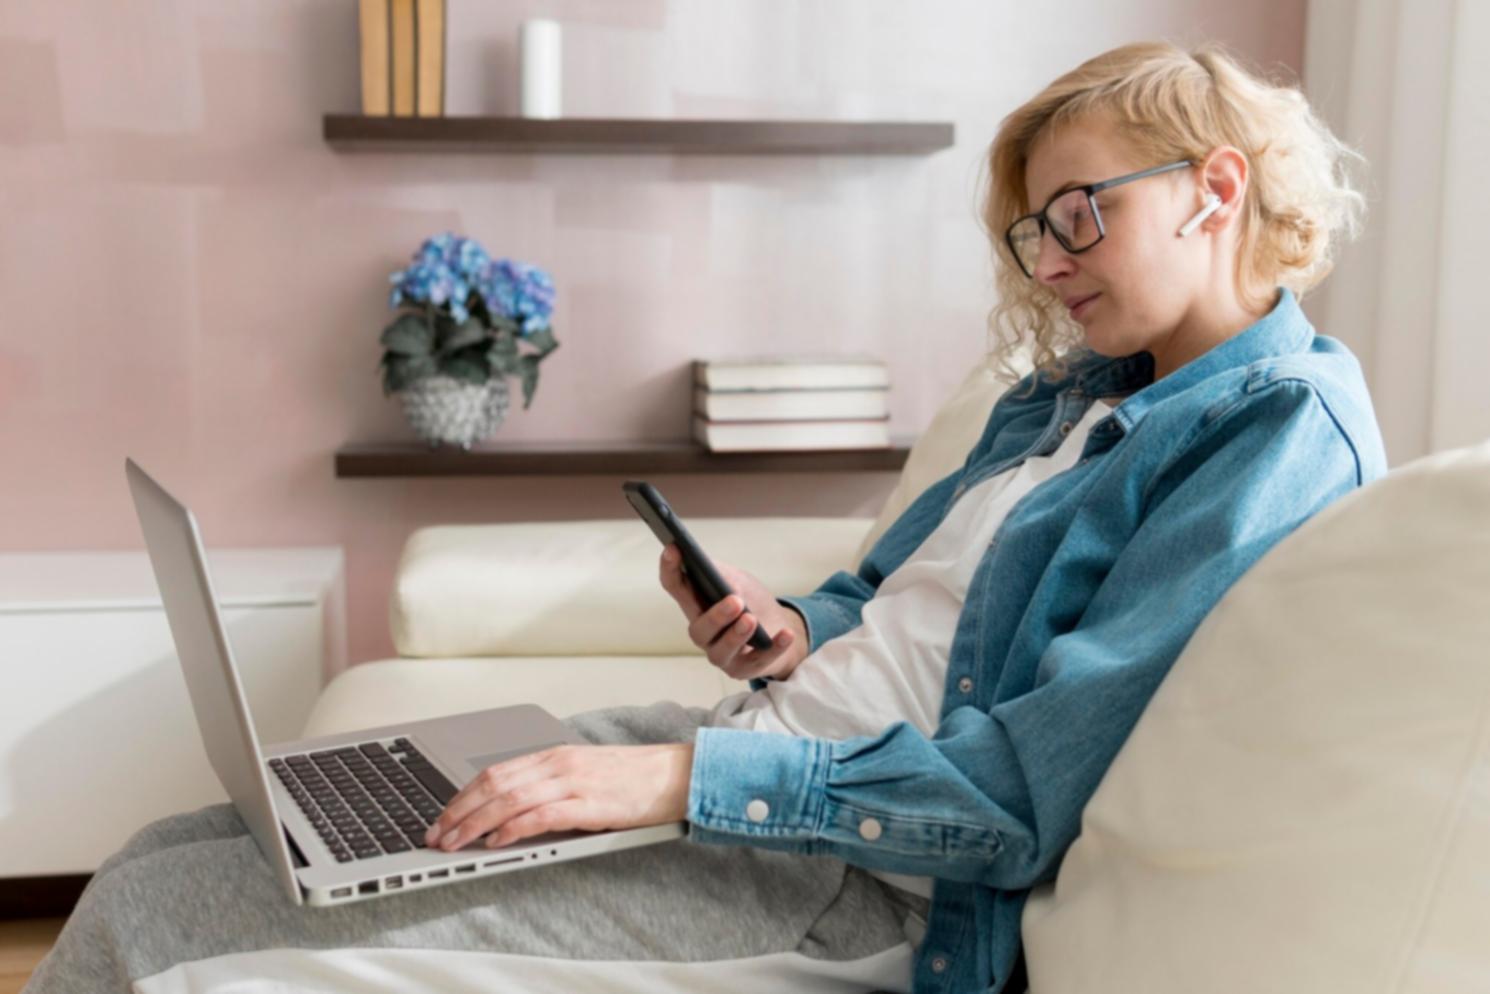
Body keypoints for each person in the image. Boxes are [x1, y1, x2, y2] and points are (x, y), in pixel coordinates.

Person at [25, 40, 1387, 994]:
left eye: (1079, 215)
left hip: (847, 876)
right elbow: (908, 613)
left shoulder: (1273, 433)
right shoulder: (1074, 396)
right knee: (184, 840)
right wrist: (792, 631)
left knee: (163, 920)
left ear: (1214, 188)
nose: (1052, 261)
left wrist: (672, 784)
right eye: (1037, 232)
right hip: (752, 759)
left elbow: (1013, 795)